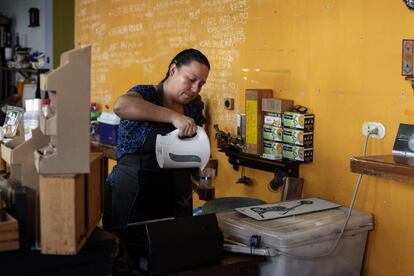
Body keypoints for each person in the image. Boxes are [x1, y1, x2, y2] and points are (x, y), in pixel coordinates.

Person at [104, 48, 210, 230]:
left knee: (174, 248)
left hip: (176, 196)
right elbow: (121, 106)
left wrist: (199, 174)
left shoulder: (193, 107)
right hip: (133, 193)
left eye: (201, 84)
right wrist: (173, 117)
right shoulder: (146, 94)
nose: (195, 89)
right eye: (191, 80)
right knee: (130, 251)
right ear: (173, 70)